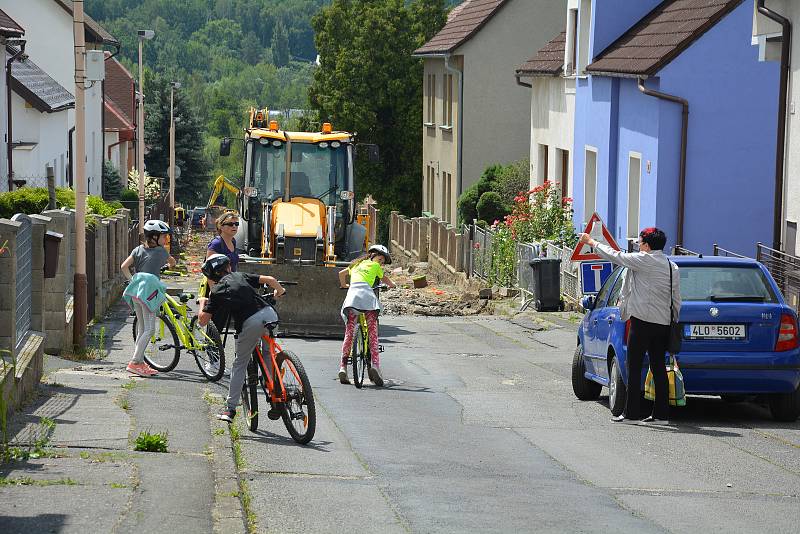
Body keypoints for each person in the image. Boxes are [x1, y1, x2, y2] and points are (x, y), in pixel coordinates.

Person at [578, 227, 681, 425]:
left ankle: (632, 414)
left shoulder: (644, 260)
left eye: (640, 243)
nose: (638, 246)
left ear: (648, 246)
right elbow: (676, 299)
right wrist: (673, 320)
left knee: (633, 366)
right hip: (663, 323)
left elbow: (616, 256)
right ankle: (661, 415)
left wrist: (591, 242)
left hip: (641, 322)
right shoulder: (671, 266)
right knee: (659, 367)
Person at [197, 254, 285, 423]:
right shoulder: (240, 275)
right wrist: (279, 292)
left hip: (250, 323)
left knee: (240, 363)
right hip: (270, 313)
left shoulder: (216, 292)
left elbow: (202, 321)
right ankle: (274, 388)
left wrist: (203, 302)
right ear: (228, 267)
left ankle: (230, 409)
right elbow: (271, 280)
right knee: (268, 353)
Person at [121, 220, 176, 377]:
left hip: (137, 292)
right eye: (164, 236)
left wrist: (134, 281)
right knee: (150, 329)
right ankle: (134, 362)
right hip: (150, 293)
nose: (166, 240)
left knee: (142, 329)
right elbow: (172, 263)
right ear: (154, 237)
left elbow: (124, 267)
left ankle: (139, 362)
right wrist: (169, 265)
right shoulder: (162, 252)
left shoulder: (137, 249)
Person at [338, 244, 396, 386]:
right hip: (367, 297)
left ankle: (343, 367)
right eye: (380, 260)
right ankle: (375, 365)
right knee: (373, 333)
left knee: (349, 332)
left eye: (382, 262)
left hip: (352, 297)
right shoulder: (375, 267)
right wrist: (392, 285)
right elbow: (387, 281)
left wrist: (345, 285)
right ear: (373, 255)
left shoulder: (356, 265)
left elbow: (341, 274)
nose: (380, 263)